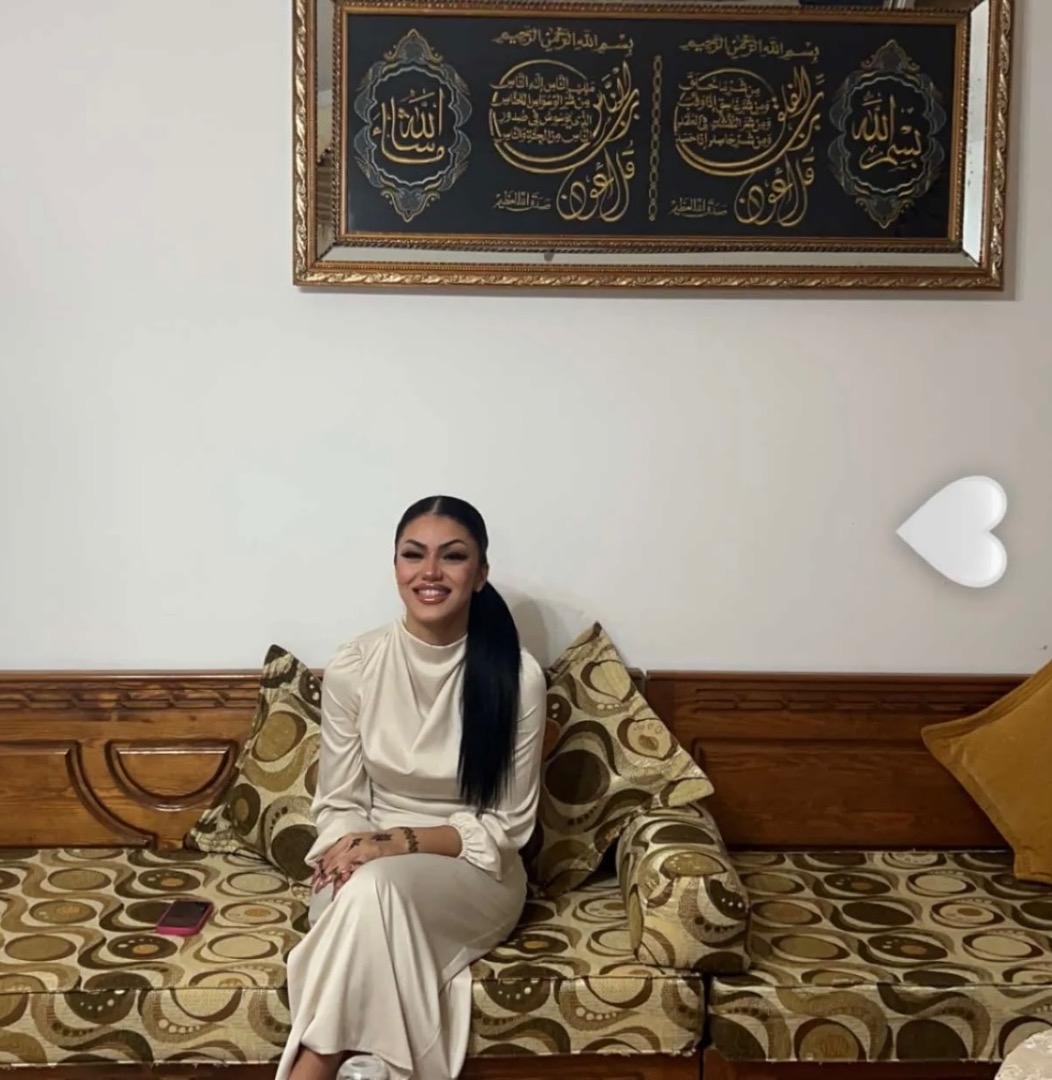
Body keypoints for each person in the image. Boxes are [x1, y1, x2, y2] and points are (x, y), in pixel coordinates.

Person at [276, 496, 548, 1080]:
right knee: (368, 891)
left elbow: (508, 827)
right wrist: (353, 848)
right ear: (395, 566)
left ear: (481, 574)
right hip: (362, 858)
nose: (430, 572)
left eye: (453, 556)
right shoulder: (356, 664)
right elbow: (339, 800)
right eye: (413, 554)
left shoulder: (516, 678)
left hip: (473, 871)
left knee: (374, 891)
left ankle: (315, 1064)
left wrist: (395, 842)